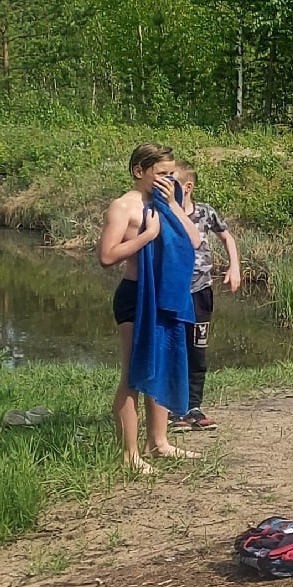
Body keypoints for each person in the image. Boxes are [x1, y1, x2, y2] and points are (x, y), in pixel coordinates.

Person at [95, 143, 202, 474]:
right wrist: (148, 235)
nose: (167, 179)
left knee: (162, 365)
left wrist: (172, 204)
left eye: (171, 174)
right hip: (135, 296)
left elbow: (194, 240)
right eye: (161, 174)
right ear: (139, 171)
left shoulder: (168, 202)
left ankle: (159, 442)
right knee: (134, 374)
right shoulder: (122, 207)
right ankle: (129, 456)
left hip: (165, 297)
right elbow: (107, 257)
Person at [175, 166, 241, 432]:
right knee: (174, 349)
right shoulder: (165, 213)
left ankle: (194, 407)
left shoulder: (205, 212)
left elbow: (227, 237)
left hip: (201, 291)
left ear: (187, 187)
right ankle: (173, 409)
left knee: (197, 349)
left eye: (172, 183)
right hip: (172, 292)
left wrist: (234, 267)